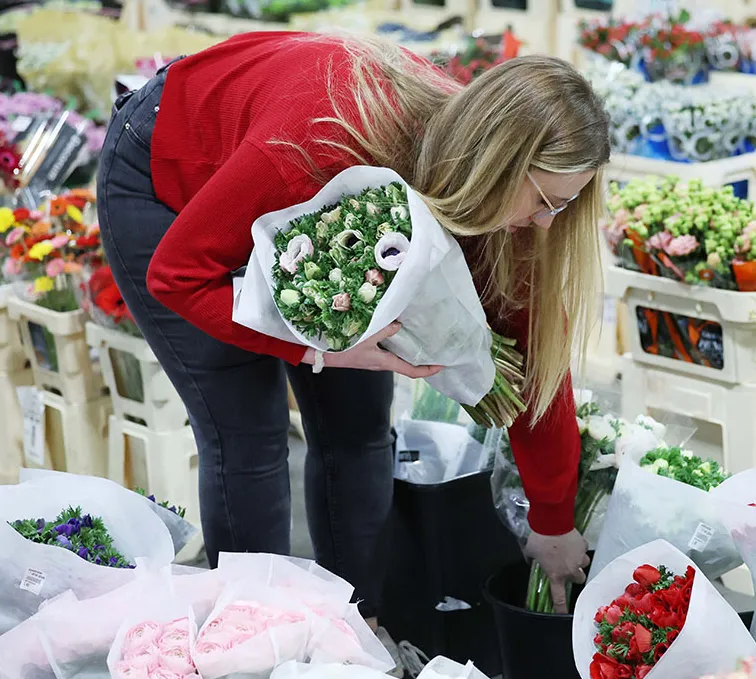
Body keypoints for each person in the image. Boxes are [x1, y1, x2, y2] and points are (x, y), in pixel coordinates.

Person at [96, 31, 609, 620]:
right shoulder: (319, 143)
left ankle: (357, 625)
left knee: (360, 431)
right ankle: (255, 642)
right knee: (249, 436)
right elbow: (179, 275)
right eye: (545, 201)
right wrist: (323, 351)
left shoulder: (512, 215)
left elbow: (536, 365)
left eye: (564, 206)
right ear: (494, 164)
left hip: (314, 192)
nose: (547, 225)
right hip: (176, 176)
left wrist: (552, 523)